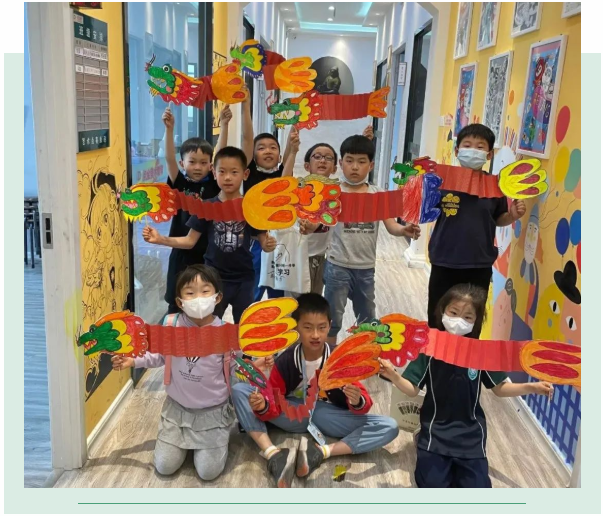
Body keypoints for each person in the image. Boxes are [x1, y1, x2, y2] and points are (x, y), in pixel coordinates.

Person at [379, 283, 553, 488]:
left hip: (470, 434)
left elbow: (499, 389)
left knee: (479, 489)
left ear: (476, 321)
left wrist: (532, 387)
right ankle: (421, 438)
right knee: (432, 485)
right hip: (435, 430)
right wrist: (393, 375)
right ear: (442, 311)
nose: (459, 321)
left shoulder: (481, 352)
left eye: (468, 317)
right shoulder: (429, 348)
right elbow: (412, 389)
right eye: (453, 313)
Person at [111, 265, 266, 480]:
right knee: (164, 466)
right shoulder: (171, 325)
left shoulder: (227, 333)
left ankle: (214, 441)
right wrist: (132, 360)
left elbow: (234, 368)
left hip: (212, 412)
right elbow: (159, 356)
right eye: (190, 293)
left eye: (205, 291)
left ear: (218, 297)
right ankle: (182, 442)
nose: (198, 298)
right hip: (177, 410)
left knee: (208, 472)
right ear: (180, 301)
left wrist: (255, 365)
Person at [231, 293, 399, 488]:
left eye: (321, 327)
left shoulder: (339, 357)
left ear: (329, 326)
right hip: (293, 412)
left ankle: (321, 452)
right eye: (308, 327)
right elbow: (274, 401)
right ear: (296, 327)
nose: (315, 335)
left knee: (389, 426)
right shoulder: (286, 361)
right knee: (240, 390)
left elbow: (364, 402)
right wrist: (263, 406)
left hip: (326, 415)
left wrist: (357, 400)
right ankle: (273, 454)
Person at [142, 146, 277, 323]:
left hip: (244, 278)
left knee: (244, 326)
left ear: (245, 174)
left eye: (234, 172)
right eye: (222, 171)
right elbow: (189, 241)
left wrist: (269, 244)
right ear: (214, 173)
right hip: (213, 279)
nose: (227, 177)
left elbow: (264, 243)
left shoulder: (250, 209)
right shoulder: (207, 207)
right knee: (210, 325)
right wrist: (160, 239)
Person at [427, 123, 526, 330]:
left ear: (489, 155)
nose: (473, 150)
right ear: (457, 151)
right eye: (467, 145)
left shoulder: (495, 185)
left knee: (470, 323)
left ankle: (466, 354)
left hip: (478, 263)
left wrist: (512, 215)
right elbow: (426, 211)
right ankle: (435, 353)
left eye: (480, 147)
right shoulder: (443, 181)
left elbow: (498, 218)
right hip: (444, 259)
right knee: (437, 321)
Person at [323, 134, 420, 344]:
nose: (354, 167)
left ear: (371, 165)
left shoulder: (377, 194)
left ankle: (366, 355)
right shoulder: (333, 193)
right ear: (341, 163)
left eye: (361, 162)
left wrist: (404, 230)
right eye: (349, 161)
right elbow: (319, 220)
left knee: (367, 318)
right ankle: (329, 356)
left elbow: (391, 226)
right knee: (332, 318)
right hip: (337, 265)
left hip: (366, 268)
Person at [281, 126, 375, 296]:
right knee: (294, 304)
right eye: (317, 157)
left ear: (335, 168)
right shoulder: (300, 187)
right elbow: (284, 183)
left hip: (321, 258)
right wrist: (293, 151)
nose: (323, 160)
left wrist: (364, 144)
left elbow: (354, 177)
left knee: (315, 302)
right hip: (297, 257)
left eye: (328, 158)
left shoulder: (337, 191)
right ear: (307, 165)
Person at [161, 107, 220, 314]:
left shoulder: (214, 184)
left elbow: (220, 152)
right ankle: (174, 325)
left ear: (210, 165)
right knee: (176, 296)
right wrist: (169, 129)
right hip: (181, 248)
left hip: (207, 251)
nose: (197, 167)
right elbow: (169, 158)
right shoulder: (180, 183)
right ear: (182, 163)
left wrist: (225, 126)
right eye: (192, 162)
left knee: (205, 298)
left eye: (203, 163)